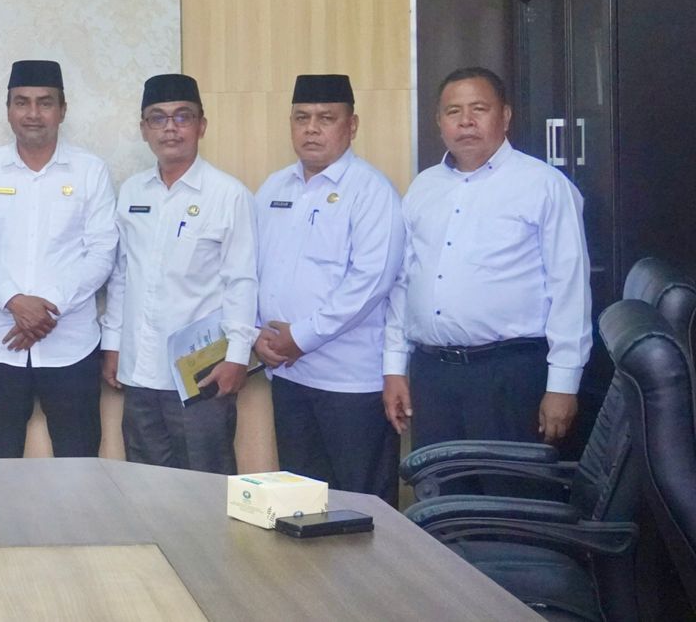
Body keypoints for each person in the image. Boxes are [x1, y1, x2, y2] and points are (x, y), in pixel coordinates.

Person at [383, 67, 591, 449]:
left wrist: (563, 384)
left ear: (505, 116)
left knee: (507, 484)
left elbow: (570, 289)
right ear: (439, 122)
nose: (466, 121)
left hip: (509, 375)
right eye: (453, 111)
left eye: (479, 109)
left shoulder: (544, 186)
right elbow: (403, 282)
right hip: (432, 375)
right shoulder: (423, 187)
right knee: (438, 484)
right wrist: (395, 367)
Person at [253, 74, 404, 503]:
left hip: (350, 383)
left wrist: (301, 337)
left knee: (362, 506)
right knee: (302, 504)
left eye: (326, 118)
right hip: (288, 376)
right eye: (301, 118)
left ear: (351, 126)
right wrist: (256, 334)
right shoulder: (274, 188)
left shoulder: (371, 190)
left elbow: (370, 282)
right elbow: (250, 270)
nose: (312, 129)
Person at [0, 60, 118, 457]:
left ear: (63, 110)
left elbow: (102, 252)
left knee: (79, 465)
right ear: (8, 109)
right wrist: (16, 302)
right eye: (22, 102)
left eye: (45, 103)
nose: (33, 113)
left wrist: (46, 309)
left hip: (72, 346)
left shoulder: (90, 171)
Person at [102, 73, 256, 474]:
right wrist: (113, 344)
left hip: (201, 374)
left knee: (206, 487)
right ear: (144, 129)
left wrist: (238, 356)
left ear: (201, 125)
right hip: (139, 371)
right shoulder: (132, 192)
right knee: (143, 485)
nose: (170, 128)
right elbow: (122, 274)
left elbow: (242, 281)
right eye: (158, 118)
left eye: (182, 116)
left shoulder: (228, 194)